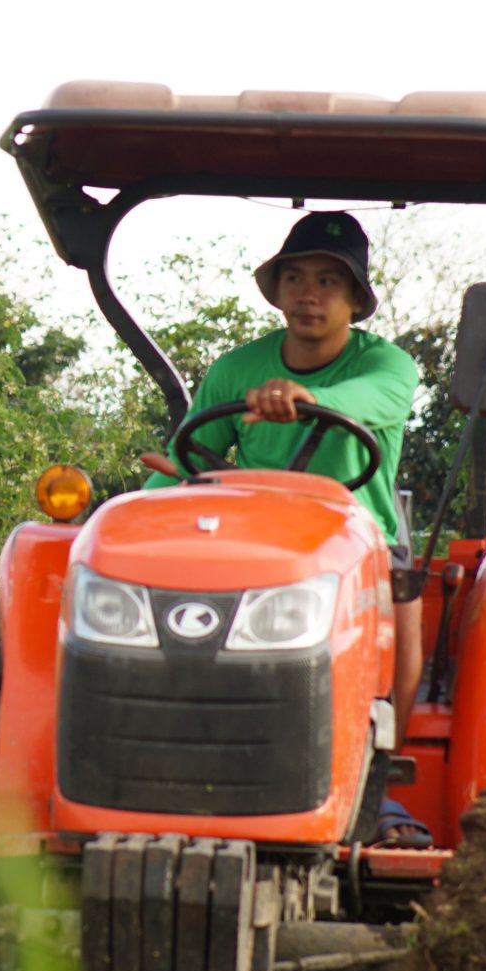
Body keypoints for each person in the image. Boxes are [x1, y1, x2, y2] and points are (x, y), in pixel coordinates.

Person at [145, 210, 427, 839]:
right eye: (295, 277)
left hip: (360, 539)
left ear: (356, 298)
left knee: (404, 605)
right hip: (252, 542)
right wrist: (129, 520)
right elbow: (186, 457)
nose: (309, 294)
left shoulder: (387, 367)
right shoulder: (236, 369)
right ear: (276, 291)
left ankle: (377, 782)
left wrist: (310, 400)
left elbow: (371, 400)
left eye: (329, 280)